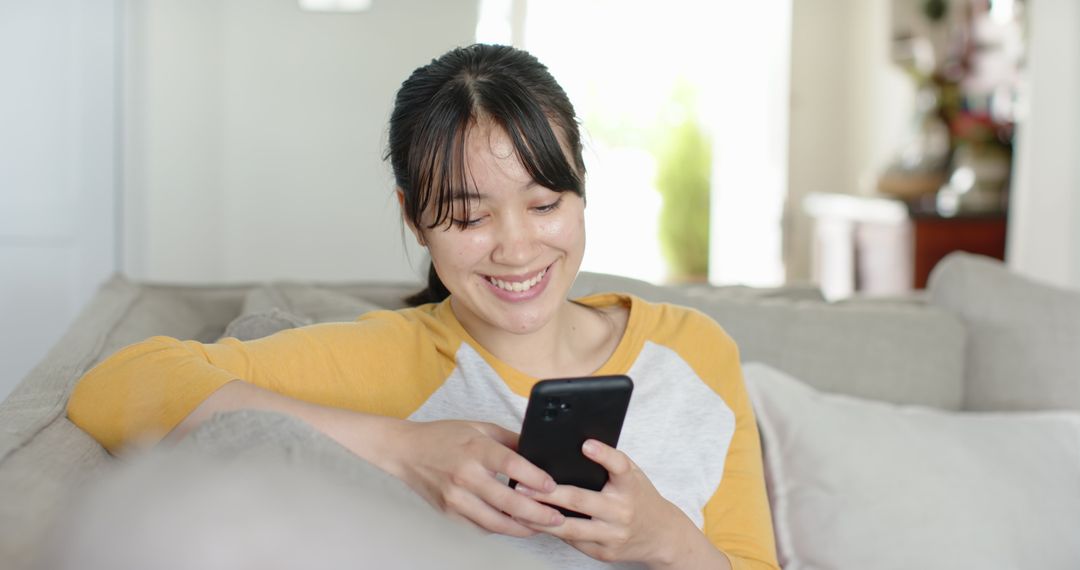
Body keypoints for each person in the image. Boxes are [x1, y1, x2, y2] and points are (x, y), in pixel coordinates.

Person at [67, 44, 779, 569]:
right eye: (470, 219)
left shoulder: (693, 350)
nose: (517, 248)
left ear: (581, 190)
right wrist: (404, 450)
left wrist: (666, 539)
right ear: (415, 219)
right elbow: (114, 387)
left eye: (544, 203)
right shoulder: (389, 358)